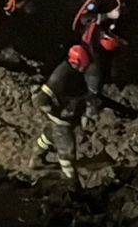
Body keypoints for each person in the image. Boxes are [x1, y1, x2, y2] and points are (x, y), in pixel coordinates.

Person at [32, 44, 92, 183]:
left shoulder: (68, 71)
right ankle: (72, 185)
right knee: (67, 150)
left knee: (49, 135)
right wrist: (55, 112)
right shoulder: (59, 77)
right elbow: (42, 99)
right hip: (60, 119)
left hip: (59, 115)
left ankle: (36, 160)